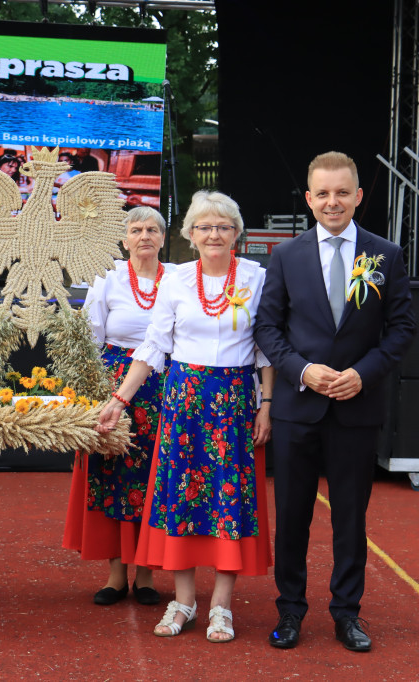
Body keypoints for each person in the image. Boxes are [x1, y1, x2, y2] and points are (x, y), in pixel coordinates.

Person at [253, 152, 416, 652]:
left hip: (355, 410)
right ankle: (290, 612)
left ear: (358, 196)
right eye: (322, 193)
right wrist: (302, 370)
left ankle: (347, 614)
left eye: (342, 192)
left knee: (350, 518)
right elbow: (267, 328)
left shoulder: (385, 254)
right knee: (294, 517)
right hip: (297, 410)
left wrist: (361, 375)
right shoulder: (285, 255)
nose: (332, 201)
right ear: (308, 199)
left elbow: (403, 328)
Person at [97, 191, 274, 643]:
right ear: (190, 235)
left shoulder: (257, 277)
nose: (214, 234)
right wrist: (119, 399)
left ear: (237, 233)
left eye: (223, 226)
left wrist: (267, 403)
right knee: (182, 500)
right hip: (184, 401)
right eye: (204, 227)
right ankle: (184, 601)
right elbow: (154, 346)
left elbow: (265, 348)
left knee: (227, 501)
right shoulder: (177, 281)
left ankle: (221, 607)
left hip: (233, 402)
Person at [63, 206, 175, 606]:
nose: (144, 235)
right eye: (136, 229)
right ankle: (115, 575)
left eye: (152, 229)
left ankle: (146, 575)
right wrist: (88, 396)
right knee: (110, 473)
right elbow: (89, 339)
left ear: (163, 238)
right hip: (112, 391)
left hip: (166, 391)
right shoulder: (106, 278)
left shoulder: (180, 278)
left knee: (154, 479)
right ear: (124, 239)